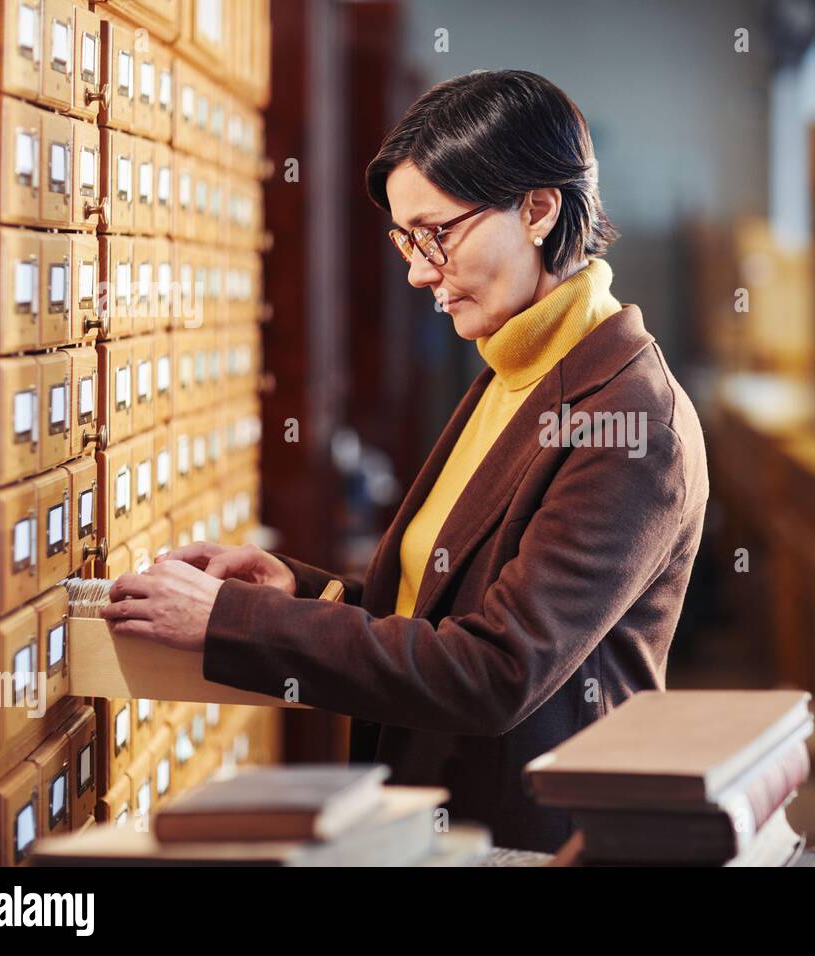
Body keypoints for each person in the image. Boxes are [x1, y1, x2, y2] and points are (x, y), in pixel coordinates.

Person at [103, 69, 710, 852]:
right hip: (458, 819)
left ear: (538, 208)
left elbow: (496, 670)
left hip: (538, 839)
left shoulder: (629, 419)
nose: (420, 271)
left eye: (438, 235)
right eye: (406, 241)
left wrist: (235, 622)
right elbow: (451, 602)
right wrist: (307, 590)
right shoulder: (514, 367)